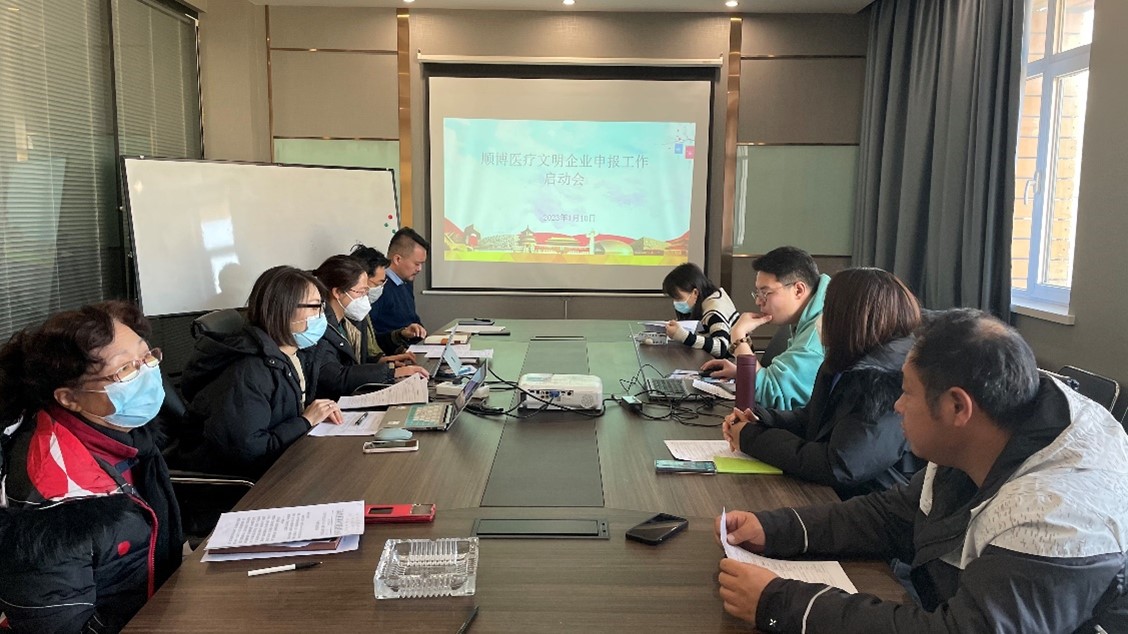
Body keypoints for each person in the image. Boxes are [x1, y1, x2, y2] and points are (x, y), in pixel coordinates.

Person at [715, 309, 1128, 633]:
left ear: (957, 407)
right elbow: (896, 514)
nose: (897, 406)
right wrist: (777, 529)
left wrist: (779, 604)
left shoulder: (1057, 516)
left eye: (907, 393)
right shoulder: (995, 422)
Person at [0, 302, 183, 632]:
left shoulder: (127, 432)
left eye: (146, 356)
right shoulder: (53, 497)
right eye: (124, 370)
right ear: (69, 398)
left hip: (165, 606)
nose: (146, 371)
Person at [722, 268, 924, 499]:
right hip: (833, 494)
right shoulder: (843, 360)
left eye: (828, 309)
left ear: (851, 317)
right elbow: (812, 419)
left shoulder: (890, 379)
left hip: (870, 503)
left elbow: (838, 464)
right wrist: (760, 419)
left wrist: (751, 438)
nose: (822, 318)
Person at [177, 266, 344, 478]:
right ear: (283, 310)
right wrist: (305, 421)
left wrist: (316, 413)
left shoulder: (291, 353)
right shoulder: (249, 370)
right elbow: (248, 450)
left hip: (284, 461)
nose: (321, 315)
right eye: (314, 307)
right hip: (249, 483)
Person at [702, 246, 830, 410]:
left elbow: (769, 396)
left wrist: (739, 336)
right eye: (758, 293)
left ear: (798, 290)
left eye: (766, 293)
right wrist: (741, 371)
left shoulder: (816, 334)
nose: (758, 301)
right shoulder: (819, 310)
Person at [312, 254, 429, 397]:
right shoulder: (320, 327)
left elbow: (357, 363)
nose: (365, 297)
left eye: (367, 291)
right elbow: (336, 377)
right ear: (338, 292)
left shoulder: (348, 321)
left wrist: (387, 364)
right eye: (361, 292)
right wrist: (391, 373)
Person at [350, 243, 420, 360]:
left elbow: (374, 345)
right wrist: (387, 363)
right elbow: (359, 361)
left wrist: (401, 335)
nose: (381, 287)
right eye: (379, 283)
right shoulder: (353, 310)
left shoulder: (363, 307)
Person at [661, 263, 739, 359]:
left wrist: (684, 336)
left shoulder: (714, 310)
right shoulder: (707, 299)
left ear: (695, 292)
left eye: (678, 298)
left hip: (733, 364)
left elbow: (721, 347)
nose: (675, 302)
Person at [370, 227, 429, 352]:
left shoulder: (406, 282)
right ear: (397, 259)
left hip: (412, 349)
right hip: (394, 355)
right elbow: (372, 338)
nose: (419, 269)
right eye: (417, 264)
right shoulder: (377, 288)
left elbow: (412, 319)